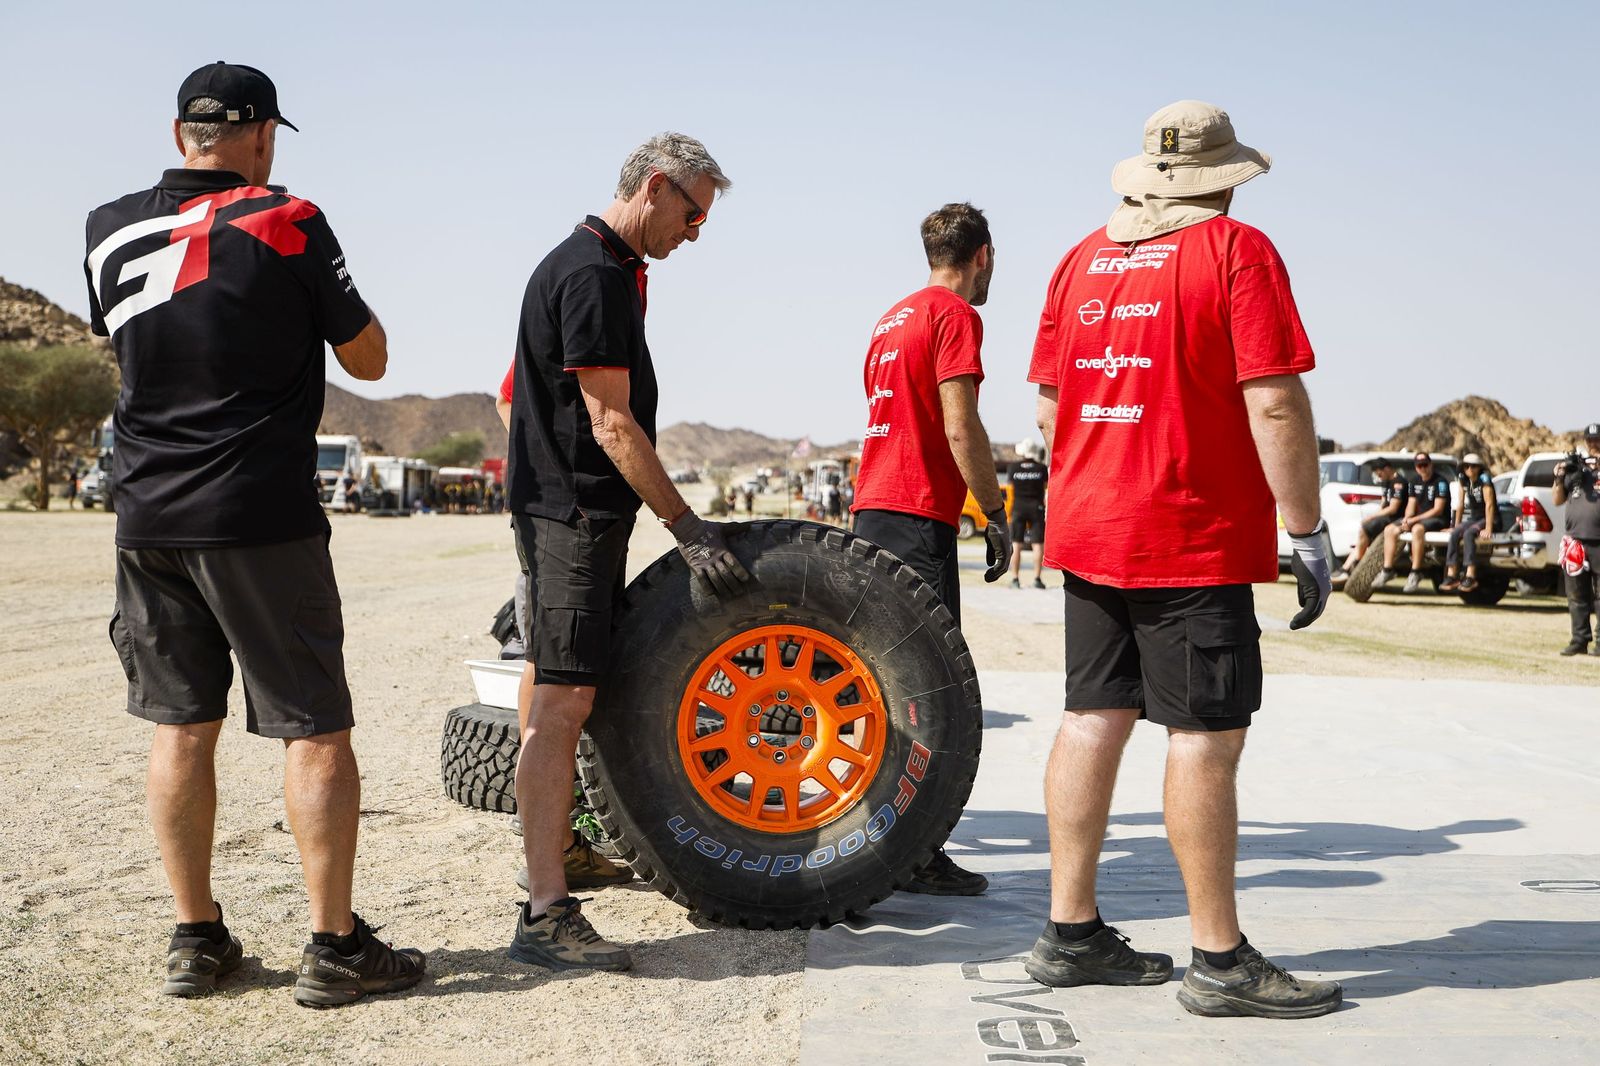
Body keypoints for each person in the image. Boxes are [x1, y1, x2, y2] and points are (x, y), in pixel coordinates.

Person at [83, 61, 423, 1006]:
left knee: (179, 726)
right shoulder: (287, 216)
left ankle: (196, 938)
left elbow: (133, 342)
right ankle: (335, 946)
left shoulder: (107, 227)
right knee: (313, 727)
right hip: (258, 513)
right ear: (264, 134)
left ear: (178, 132)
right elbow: (370, 354)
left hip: (145, 512)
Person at [1023, 101, 1340, 1018]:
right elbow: (1274, 403)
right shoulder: (1237, 254)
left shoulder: (1078, 260)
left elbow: (1049, 411)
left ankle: (1069, 933)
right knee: (1204, 737)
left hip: (1089, 530)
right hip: (1186, 535)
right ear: (1220, 185)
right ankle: (1219, 960)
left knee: (1092, 716)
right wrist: (1307, 529)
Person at [504, 132, 749, 971]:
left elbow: (535, 402)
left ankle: (563, 856)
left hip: (561, 517)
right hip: (573, 519)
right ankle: (544, 915)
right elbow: (610, 422)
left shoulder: (597, 267)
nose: (695, 231)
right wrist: (687, 526)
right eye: (692, 212)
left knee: (558, 695)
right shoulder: (594, 274)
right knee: (561, 710)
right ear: (654, 188)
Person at [850, 202, 1013, 896]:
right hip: (918, 516)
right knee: (928, 693)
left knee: (884, 690)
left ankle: (876, 840)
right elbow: (959, 422)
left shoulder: (890, 318)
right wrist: (997, 509)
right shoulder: (956, 316)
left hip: (871, 511)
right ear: (983, 256)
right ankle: (912, 853)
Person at [1375, 453, 1452, 593]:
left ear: (1430, 464)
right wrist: (1406, 519)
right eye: (1419, 465)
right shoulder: (1414, 481)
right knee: (1389, 530)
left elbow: (1438, 509)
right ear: (1416, 467)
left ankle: (1416, 571)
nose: (1422, 468)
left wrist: (1413, 520)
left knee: (1417, 529)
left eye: (1425, 464)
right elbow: (1411, 504)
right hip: (1418, 518)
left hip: (1438, 519)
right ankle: (1387, 569)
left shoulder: (1440, 482)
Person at [1554, 423, 1600, 656]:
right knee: (1577, 594)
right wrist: (1560, 475)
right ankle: (1579, 639)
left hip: (1599, 541)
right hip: (1575, 541)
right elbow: (1557, 500)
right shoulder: (1576, 471)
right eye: (1590, 440)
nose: (1594, 444)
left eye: (1598, 440)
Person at [1331, 458, 1408, 586]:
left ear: (1387, 469)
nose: (1379, 476)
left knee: (1364, 528)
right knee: (1362, 537)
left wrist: (1372, 517)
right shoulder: (1385, 482)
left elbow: (1393, 508)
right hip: (1386, 517)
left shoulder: (1398, 483)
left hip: (1396, 518)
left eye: (1380, 473)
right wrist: (1376, 516)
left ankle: (1356, 564)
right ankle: (1346, 568)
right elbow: (1384, 503)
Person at [1440, 454, 1495, 593]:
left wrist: (1488, 528)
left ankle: (1470, 575)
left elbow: (1490, 504)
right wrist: (1455, 525)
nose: (1470, 469)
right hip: (1475, 517)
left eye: (1473, 466)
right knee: (1455, 534)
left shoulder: (1484, 480)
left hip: (1487, 518)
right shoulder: (1463, 481)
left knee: (1469, 534)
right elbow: (1460, 505)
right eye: (1466, 466)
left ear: (1479, 468)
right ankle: (1452, 574)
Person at [1008, 438, 1048, 589]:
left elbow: (1011, 487)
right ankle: (1037, 579)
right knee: (1037, 544)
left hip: (1018, 507)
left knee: (1016, 544)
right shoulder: (1041, 468)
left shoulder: (1013, 468)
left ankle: (1015, 579)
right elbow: (1045, 487)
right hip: (1036, 507)